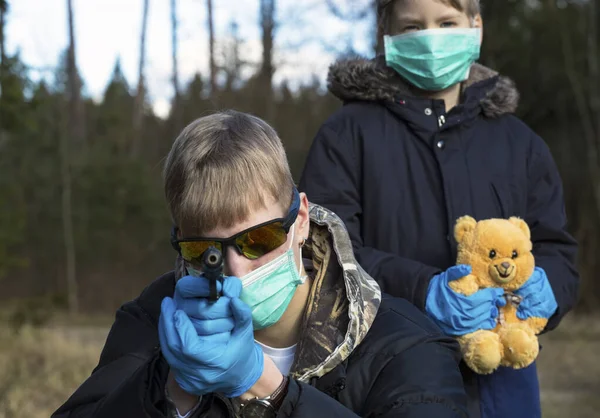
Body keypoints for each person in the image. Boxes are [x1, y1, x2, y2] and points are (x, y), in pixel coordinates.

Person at [52, 110, 469, 418]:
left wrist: (265, 387)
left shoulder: (403, 348)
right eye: (205, 250)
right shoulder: (153, 318)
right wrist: (169, 388)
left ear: (301, 220)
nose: (236, 269)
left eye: (258, 239)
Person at [298, 1, 580, 418]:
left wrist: (548, 287)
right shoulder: (345, 137)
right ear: (386, 36)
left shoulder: (520, 143)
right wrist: (422, 292)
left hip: (505, 390)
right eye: (412, 28)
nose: (431, 39)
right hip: (388, 381)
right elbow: (321, 253)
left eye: (447, 23)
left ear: (476, 27)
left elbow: (559, 251)